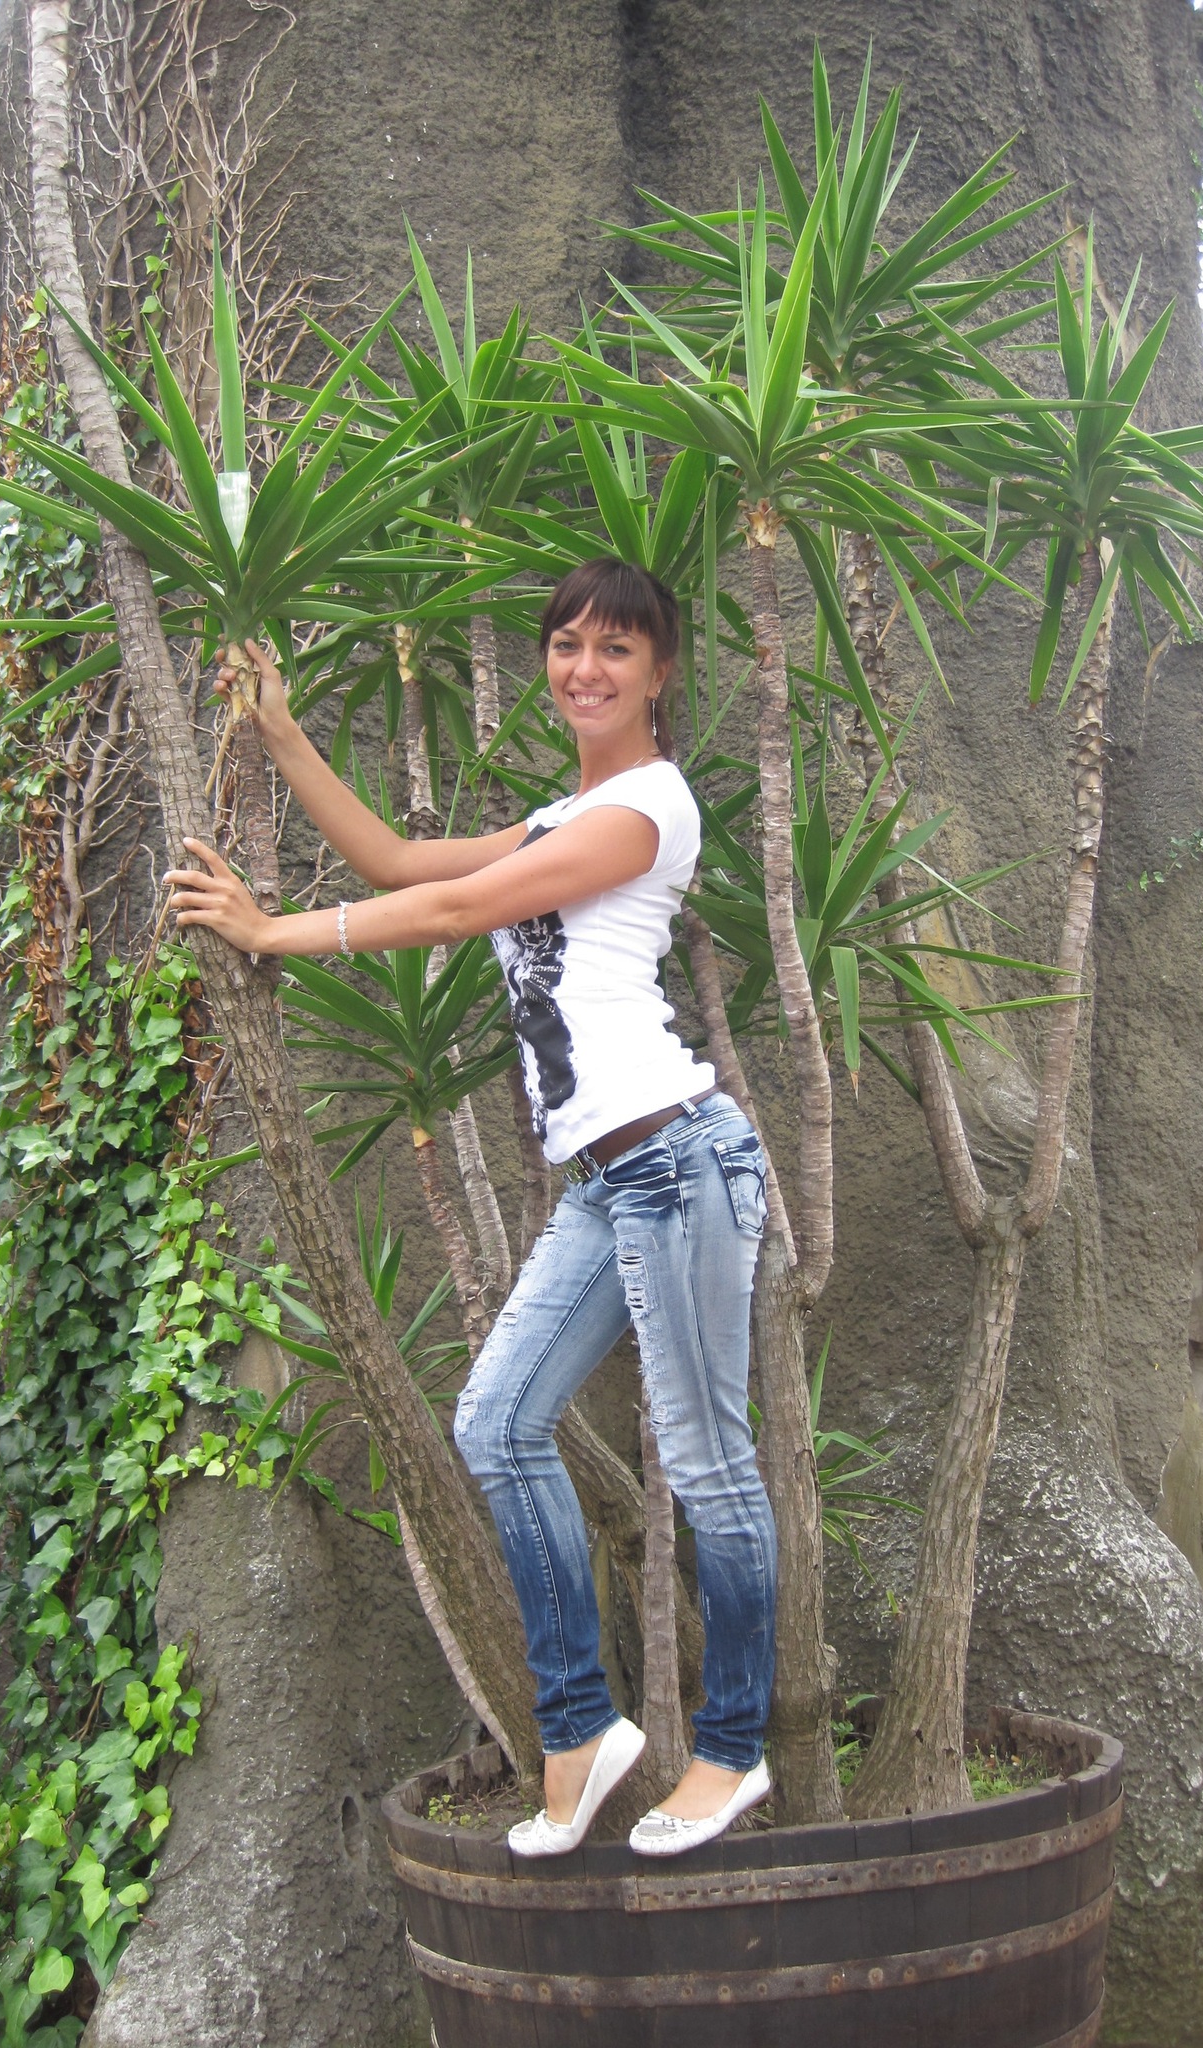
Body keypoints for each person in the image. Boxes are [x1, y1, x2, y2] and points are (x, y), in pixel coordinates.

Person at [165, 556, 777, 1857]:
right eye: (566, 644)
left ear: (660, 673)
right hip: (609, 1180)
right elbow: (397, 856)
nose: (584, 668)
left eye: (616, 648)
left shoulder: (651, 805)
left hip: (677, 1160)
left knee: (707, 1461)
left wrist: (273, 935)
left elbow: (449, 908)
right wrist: (279, 729)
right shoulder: (562, 818)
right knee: (496, 1422)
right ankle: (581, 1731)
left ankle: (731, 1752)